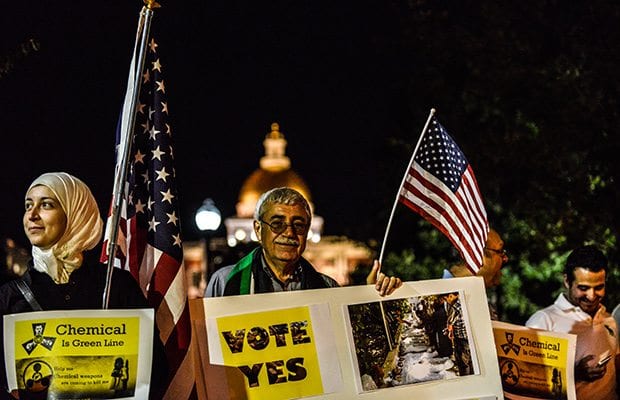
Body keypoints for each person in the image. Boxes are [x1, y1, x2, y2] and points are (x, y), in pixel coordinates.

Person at [0, 172, 167, 399]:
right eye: (28, 205)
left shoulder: (116, 286)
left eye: (46, 205)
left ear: (75, 213)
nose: (32, 215)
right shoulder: (9, 297)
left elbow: (155, 370)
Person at [206, 187, 402, 297]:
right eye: (277, 224)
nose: (289, 233)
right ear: (258, 229)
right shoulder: (225, 283)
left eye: (298, 225)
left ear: (307, 231)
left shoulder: (328, 288)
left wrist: (371, 298)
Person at [525, 245, 618, 400]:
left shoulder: (609, 319)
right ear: (567, 281)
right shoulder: (543, 321)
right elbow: (527, 381)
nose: (591, 296)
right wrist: (575, 373)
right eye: (583, 288)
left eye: (599, 287)